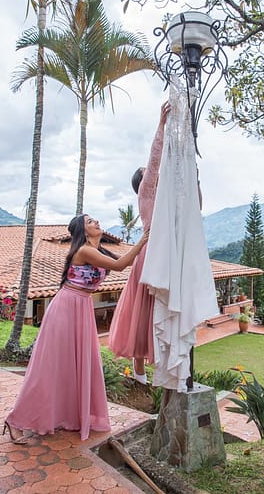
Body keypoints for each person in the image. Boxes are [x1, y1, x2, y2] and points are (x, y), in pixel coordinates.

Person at [3, 214, 148, 443]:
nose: (97, 222)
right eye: (90, 221)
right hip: (67, 307)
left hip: (81, 306)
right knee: (49, 369)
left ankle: (68, 416)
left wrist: (144, 244)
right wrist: (143, 241)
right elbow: (120, 266)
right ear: (83, 229)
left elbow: (127, 261)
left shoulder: (99, 251)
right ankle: (15, 420)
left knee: (71, 367)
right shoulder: (84, 250)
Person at [108, 101, 171, 383]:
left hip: (163, 254)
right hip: (149, 258)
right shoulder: (147, 193)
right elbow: (157, 158)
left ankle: (158, 372)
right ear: (142, 182)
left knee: (159, 313)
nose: (152, 172)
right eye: (147, 171)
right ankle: (141, 373)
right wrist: (161, 125)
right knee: (143, 314)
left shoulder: (164, 195)